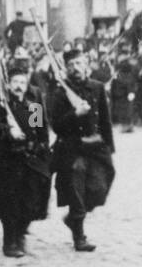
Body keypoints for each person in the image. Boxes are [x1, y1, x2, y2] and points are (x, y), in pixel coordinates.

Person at [49, 47, 115, 252]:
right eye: (70, 65)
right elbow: (56, 125)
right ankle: (79, 235)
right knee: (76, 185)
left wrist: (109, 148)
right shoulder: (59, 92)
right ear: (65, 68)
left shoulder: (97, 88)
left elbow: (105, 120)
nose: (75, 68)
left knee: (100, 187)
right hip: (72, 148)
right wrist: (75, 114)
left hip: (95, 147)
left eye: (78, 63)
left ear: (86, 65)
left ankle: (74, 218)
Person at [0, 61, 52, 256]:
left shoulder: (32, 107)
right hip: (9, 161)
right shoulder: (1, 108)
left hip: (30, 161)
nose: (19, 85)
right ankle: (9, 243)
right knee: (10, 204)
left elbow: (40, 131)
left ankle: (21, 233)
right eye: (15, 82)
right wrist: (7, 130)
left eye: (22, 81)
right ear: (8, 85)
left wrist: (41, 149)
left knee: (31, 202)